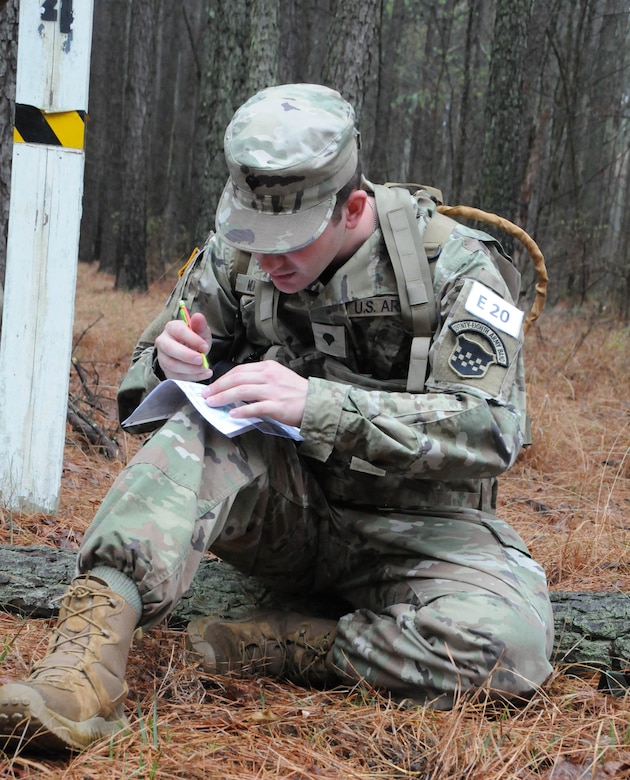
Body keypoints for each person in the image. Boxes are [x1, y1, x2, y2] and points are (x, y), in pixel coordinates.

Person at [0, 83, 554, 754]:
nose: (266, 261)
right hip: (283, 513)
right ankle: (81, 668)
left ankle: (296, 645)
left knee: (513, 649)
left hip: (422, 531)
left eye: (288, 243)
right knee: (196, 434)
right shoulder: (237, 255)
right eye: (254, 240)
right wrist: (170, 364)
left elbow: (490, 430)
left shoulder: (458, 268)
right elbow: (144, 385)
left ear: (353, 208)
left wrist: (316, 405)